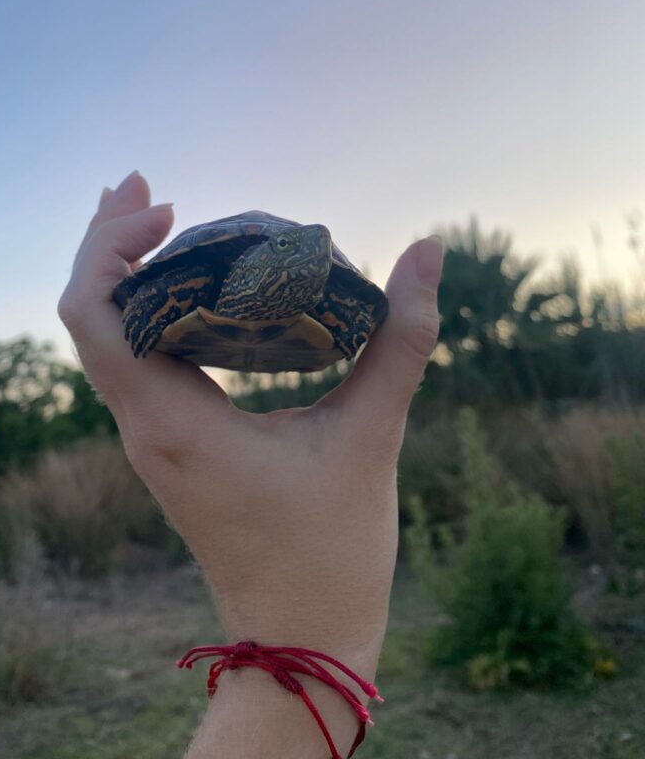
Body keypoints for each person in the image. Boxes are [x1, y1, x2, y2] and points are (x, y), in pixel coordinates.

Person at [58, 170, 443, 758]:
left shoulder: (318, 284)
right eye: (288, 250)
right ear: (257, 261)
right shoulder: (203, 273)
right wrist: (328, 640)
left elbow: (357, 314)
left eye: (313, 253)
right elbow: (149, 293)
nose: (309, 249)